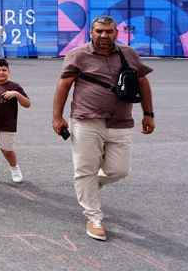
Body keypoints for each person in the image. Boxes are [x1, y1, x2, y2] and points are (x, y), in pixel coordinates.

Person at [52, 15, 155, 242]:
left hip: (121, 122)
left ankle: (90, 184)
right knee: (85, 169)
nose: (104, 36)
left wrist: (148, 113)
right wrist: (57, 117)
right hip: (86, 120)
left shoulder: (128, 54)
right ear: (91, 32)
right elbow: (64, 85)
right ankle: (94, 216)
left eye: (109, 31)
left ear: (116, 33)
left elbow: (143, 82)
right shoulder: (78, 55)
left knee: (119, 170)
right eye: (99, 31)